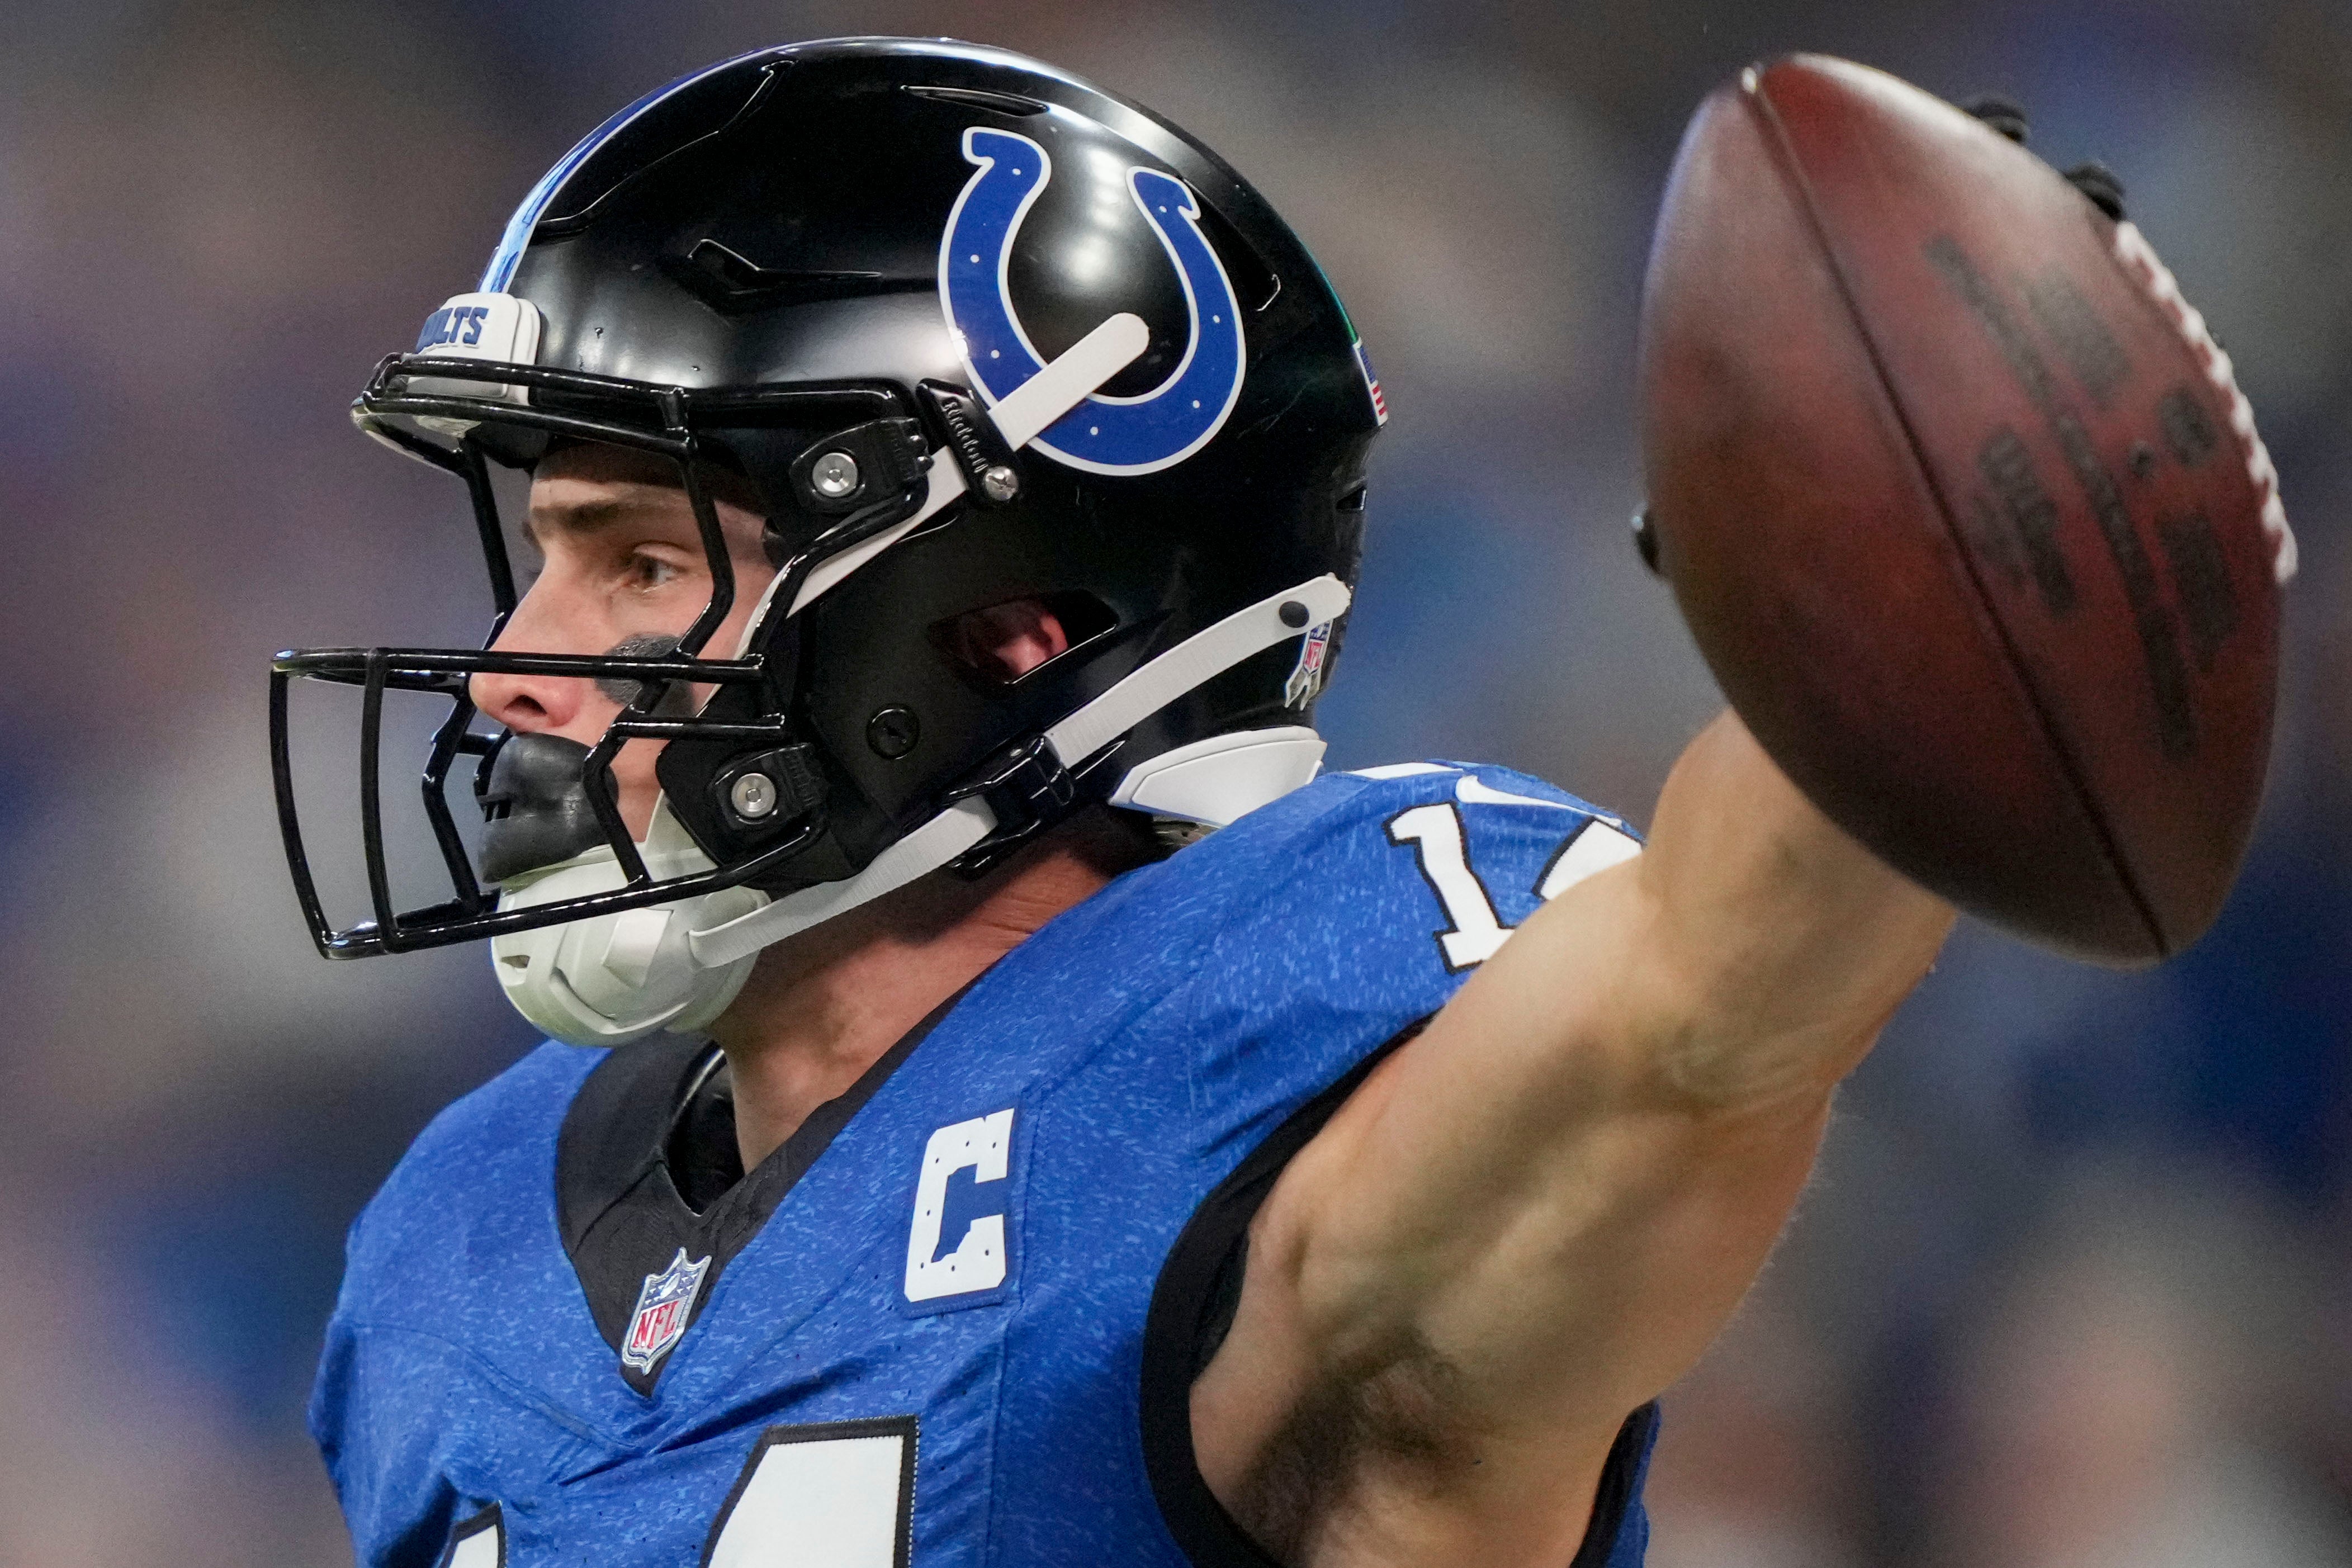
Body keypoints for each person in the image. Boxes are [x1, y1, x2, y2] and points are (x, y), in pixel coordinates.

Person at [274, 37, 1951, 1568]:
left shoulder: (1242, 1106)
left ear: (1008, 635)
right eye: (547, 557)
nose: (510, 668)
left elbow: (1706, 1012)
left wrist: (1932, 559)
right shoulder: (458, 1237)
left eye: (640, 563)